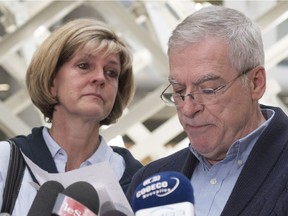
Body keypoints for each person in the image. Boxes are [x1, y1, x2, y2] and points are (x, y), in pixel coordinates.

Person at [126, 5, 288, 216]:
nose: (188, 108)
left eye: (209, 89)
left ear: (256, 83)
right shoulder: (149, 181)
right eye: (178, 90)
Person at [0, 18, 142, 215]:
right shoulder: (6, 161)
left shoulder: (136, 178)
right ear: (51, 81)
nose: (100, 78)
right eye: (84, 65)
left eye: (111, 72)